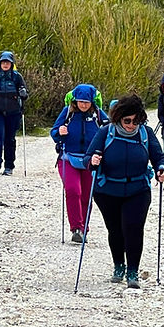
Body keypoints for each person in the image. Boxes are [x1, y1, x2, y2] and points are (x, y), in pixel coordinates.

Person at [82, 94, 164, 289]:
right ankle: (118, 265)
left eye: (136, 120)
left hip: (138, 189)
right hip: (107, 191)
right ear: (118, 117)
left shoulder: (145, 133)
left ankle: (132, 271)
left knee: (134, 228)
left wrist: (162, 169)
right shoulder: (106, 132)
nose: (131, 125)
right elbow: (88, 158)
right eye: (127, 120)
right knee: (115, 230)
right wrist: (92, 161)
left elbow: (158, 157)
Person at [51, 84, 108, 242]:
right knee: (73, 190)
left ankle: (83, 229)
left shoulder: (98, 114)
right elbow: (54, 132)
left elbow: (109, 132)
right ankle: (76, 227)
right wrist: (59, 132)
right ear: (75, 101)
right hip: (68, 158)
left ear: (92, 101)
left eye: (87, 102)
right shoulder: (68, 113)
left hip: (90, 161)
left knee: (86, 196)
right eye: (80, 101)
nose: (83, 104)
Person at [0, 50, 29, 175]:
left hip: (13, 113)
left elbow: (24, 93)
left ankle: (9, 166)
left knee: (10, 139)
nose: (5, 64)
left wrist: (23, 93)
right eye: (3, 62)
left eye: (8, 62)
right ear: (0, 63)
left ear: (12, 63)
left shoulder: (17, 77)